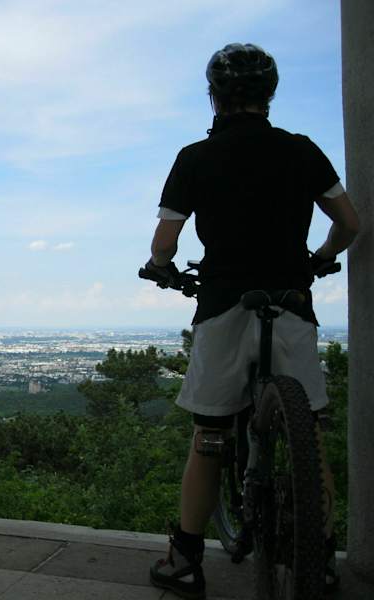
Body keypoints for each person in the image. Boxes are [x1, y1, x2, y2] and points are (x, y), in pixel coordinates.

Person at [145, 43, 360, 600]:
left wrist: (163, 270)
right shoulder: (303, 151)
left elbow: (164, 244)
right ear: (270, 95)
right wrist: (319, 257)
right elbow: (350, 224)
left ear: (214, 96)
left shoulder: (194, 157)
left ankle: (187, 561)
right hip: (290, 301)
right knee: (307, 427)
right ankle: (324, 556)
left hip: (223, 305)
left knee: (209, 435)